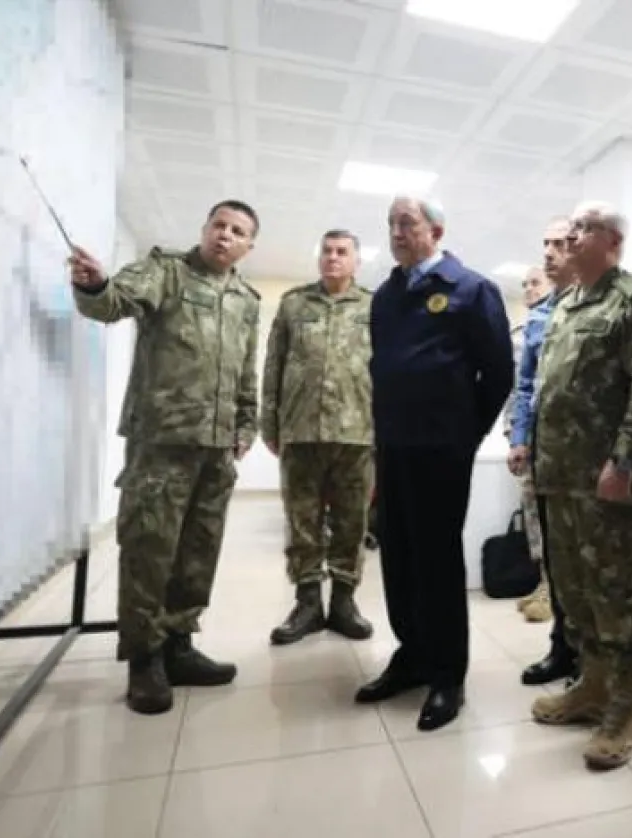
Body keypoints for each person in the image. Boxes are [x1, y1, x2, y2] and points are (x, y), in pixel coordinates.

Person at [67, 200, 262, 716]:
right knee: (149, 552)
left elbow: (247, 370)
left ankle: (178, 645)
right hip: (162, 444)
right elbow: (114, 302)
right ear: (204, 229)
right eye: (218, 224)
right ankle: (144, 659)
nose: (225, 235)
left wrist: (247, 423)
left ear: (249, 245)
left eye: (237, 231)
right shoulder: (166, 272)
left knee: (198, 554)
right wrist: (94, 286)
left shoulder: (245, 297)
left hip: (217, 450)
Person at [355, 195, 514, 733]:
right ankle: (412, 655)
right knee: (396, 556)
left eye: (408, 223)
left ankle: (447, 674)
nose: (397, 232)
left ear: (436, 230)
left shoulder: (470, 290)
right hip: (393, 447)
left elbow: (498, 375)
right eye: (392, 224)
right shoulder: (387, 296)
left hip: (442, 450)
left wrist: (465, 436)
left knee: (437, 560)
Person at [529, 202, 632, 771]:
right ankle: (592, 685)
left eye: (582, 228)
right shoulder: (566, 303)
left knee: (618, 594)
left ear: (612, 239)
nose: (569, 234)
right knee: (575, 591)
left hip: (607, 477)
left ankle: (628, 708)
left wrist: (625, 461)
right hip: (560, 475)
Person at [261, 229, 376, 647]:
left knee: (351, 522)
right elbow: (274, 364)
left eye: (342, 252)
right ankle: (308, 603)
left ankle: (344, 602)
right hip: (301, 429)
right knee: (301, 522)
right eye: (326, 251)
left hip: (357, 432)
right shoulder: (294, 304)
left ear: (356, 261)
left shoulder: (374, 306)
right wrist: (268, 422)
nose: (332, 258)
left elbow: (386, 371)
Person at [511, 220, 582, 685]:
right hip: (544, 456)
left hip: (587, 458)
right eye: (546, 244)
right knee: (556, 557)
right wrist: (519, 437)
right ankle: (563, 647)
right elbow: (525, 385)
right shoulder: (539, 316)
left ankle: (592, 657)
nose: (552, 252)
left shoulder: (607, 307)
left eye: (562, 244)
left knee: (588, 563)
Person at [513, 266, 556, 625]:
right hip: (527, 442)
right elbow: (521, 387)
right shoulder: (528, 326)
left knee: (552, 521)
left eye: (535, 282)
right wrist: (516, 437)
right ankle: (544, 581)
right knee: (533, 517)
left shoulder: (557, 320)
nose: (528, 289)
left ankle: (554, 589)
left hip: (554, 443)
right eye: (524, 284)